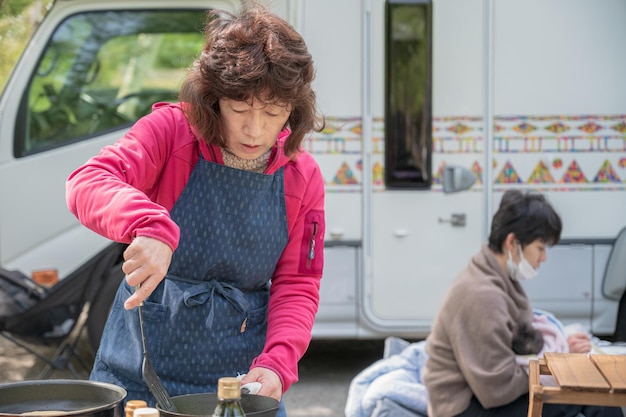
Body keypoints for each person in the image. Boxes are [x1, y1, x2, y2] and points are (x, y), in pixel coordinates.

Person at [65, 3, 325, 416]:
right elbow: (87, 182)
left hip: (241, 382)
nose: (254, 130)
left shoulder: (303, 176)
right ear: (213, 99)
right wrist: (148, 225)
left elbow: (297, 284)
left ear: (293, 110)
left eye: (273, 113)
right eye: (239, 109)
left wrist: (277, 365)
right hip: (138, 372)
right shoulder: (171, 133)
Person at [422, 190, 623, 417]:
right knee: (595, 398)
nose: (543, 257)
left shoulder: (494, 276)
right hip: (465, 406)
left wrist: (562, 350)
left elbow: (517, 345)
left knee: (595, 394)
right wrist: (559, 366)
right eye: (540, 247)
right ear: (512, 242)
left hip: (482, 394)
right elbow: (496, 389)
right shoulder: (482, 295)